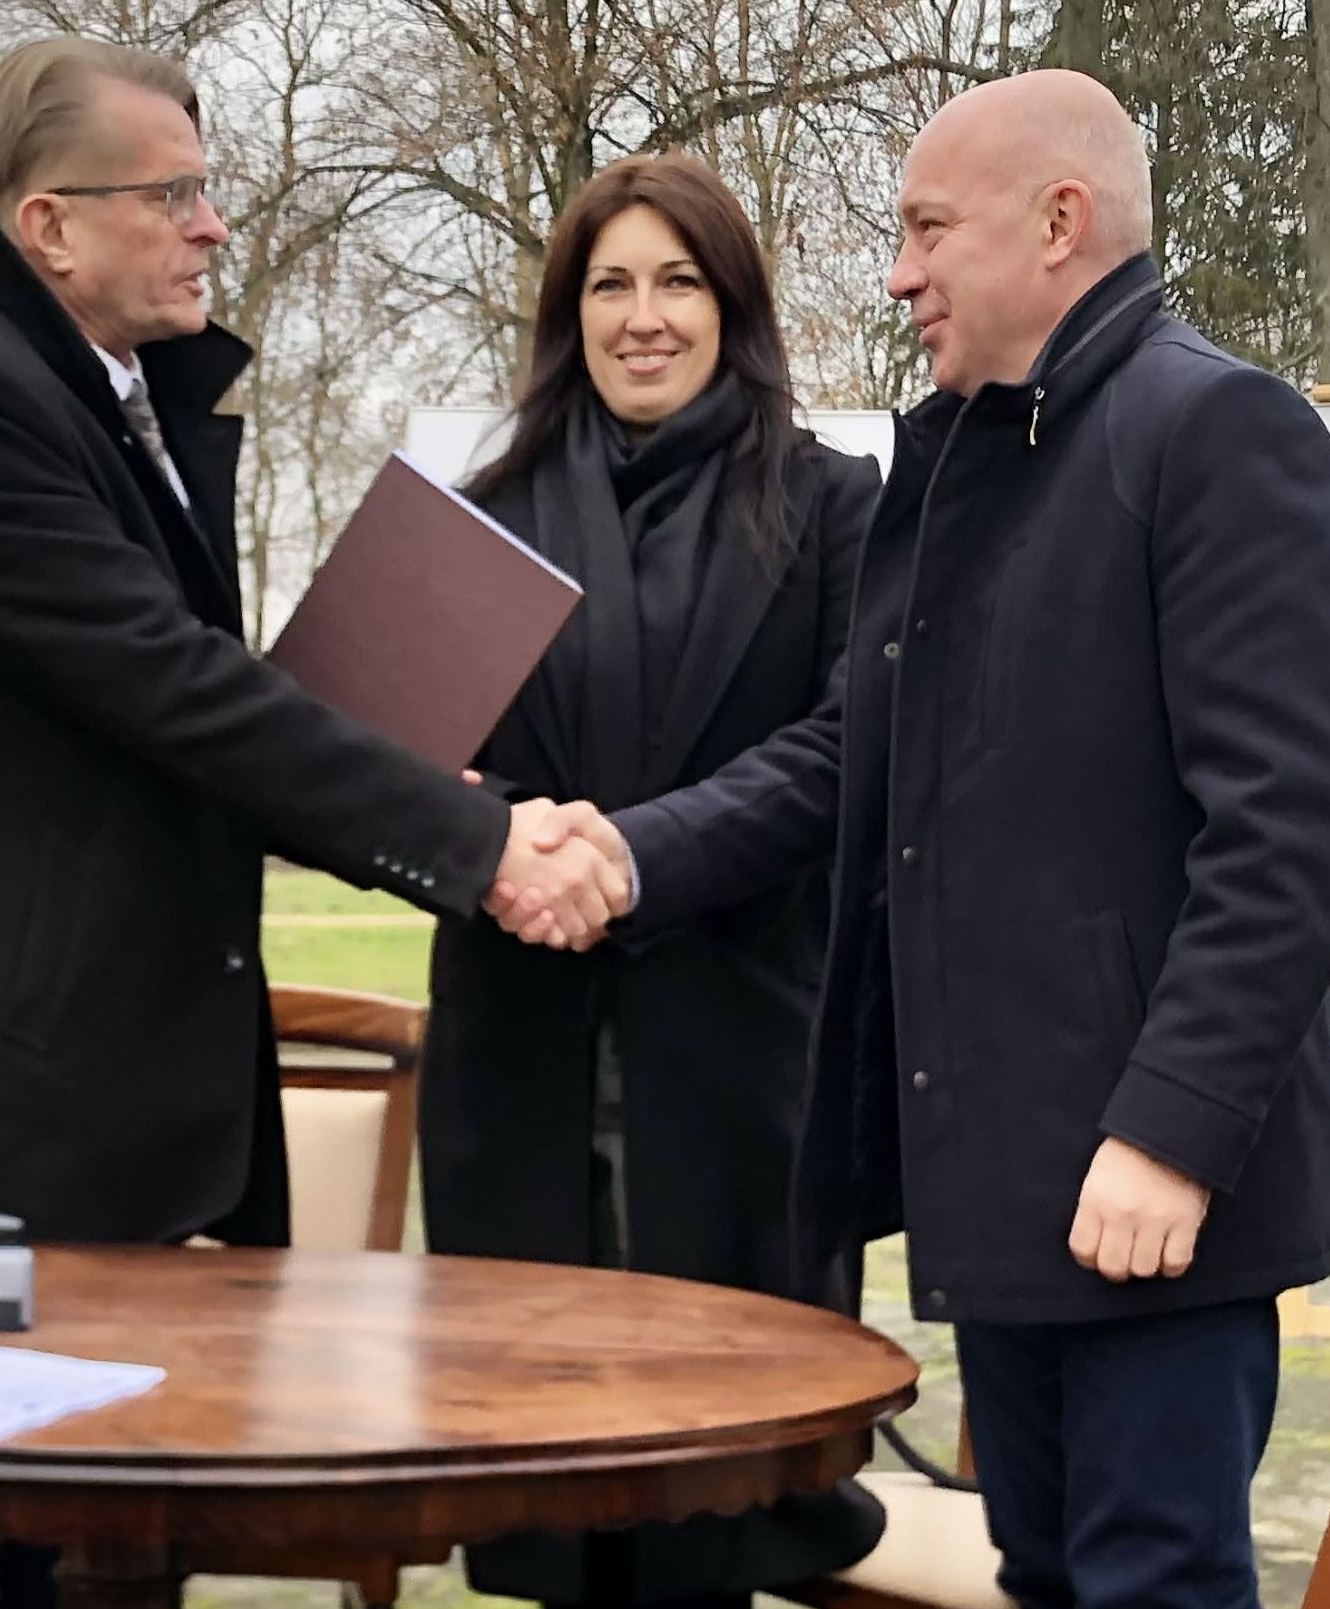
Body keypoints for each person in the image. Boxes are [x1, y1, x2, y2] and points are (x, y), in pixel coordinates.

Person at [516, 70, 1330, 1607]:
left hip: (1147, 1198)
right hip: (1007, 1183)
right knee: (1046, 1576)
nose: (897, 273)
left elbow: (1293, 822)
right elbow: (856, 761)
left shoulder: (1214, 430)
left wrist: (1169, 1134)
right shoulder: (971, 463)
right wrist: (628, 850)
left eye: (926, 230)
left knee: (1151, 1584)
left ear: (1058, 222)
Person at [0, 36, 622, 1609]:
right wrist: (481, 847)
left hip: (75, 1106)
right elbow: (177, 690)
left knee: (102, 1524)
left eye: (205, 188)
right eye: (169, 194)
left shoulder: (110, 401)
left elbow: (170, 724)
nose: (211, 224)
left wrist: (444, 804)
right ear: (48, 225)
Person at [417, 151, 884, 1608]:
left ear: (732, 304)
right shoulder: (476, 513)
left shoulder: (834, 507)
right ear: (569, 313)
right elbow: (390, 761)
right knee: (551, 1502)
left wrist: (626, 861)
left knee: (715, 1507)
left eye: (678, 281)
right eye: (609, 284)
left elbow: (843, 754)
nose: (643, 316)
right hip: (520, 1059)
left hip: (739, 1060)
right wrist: (505, 850)